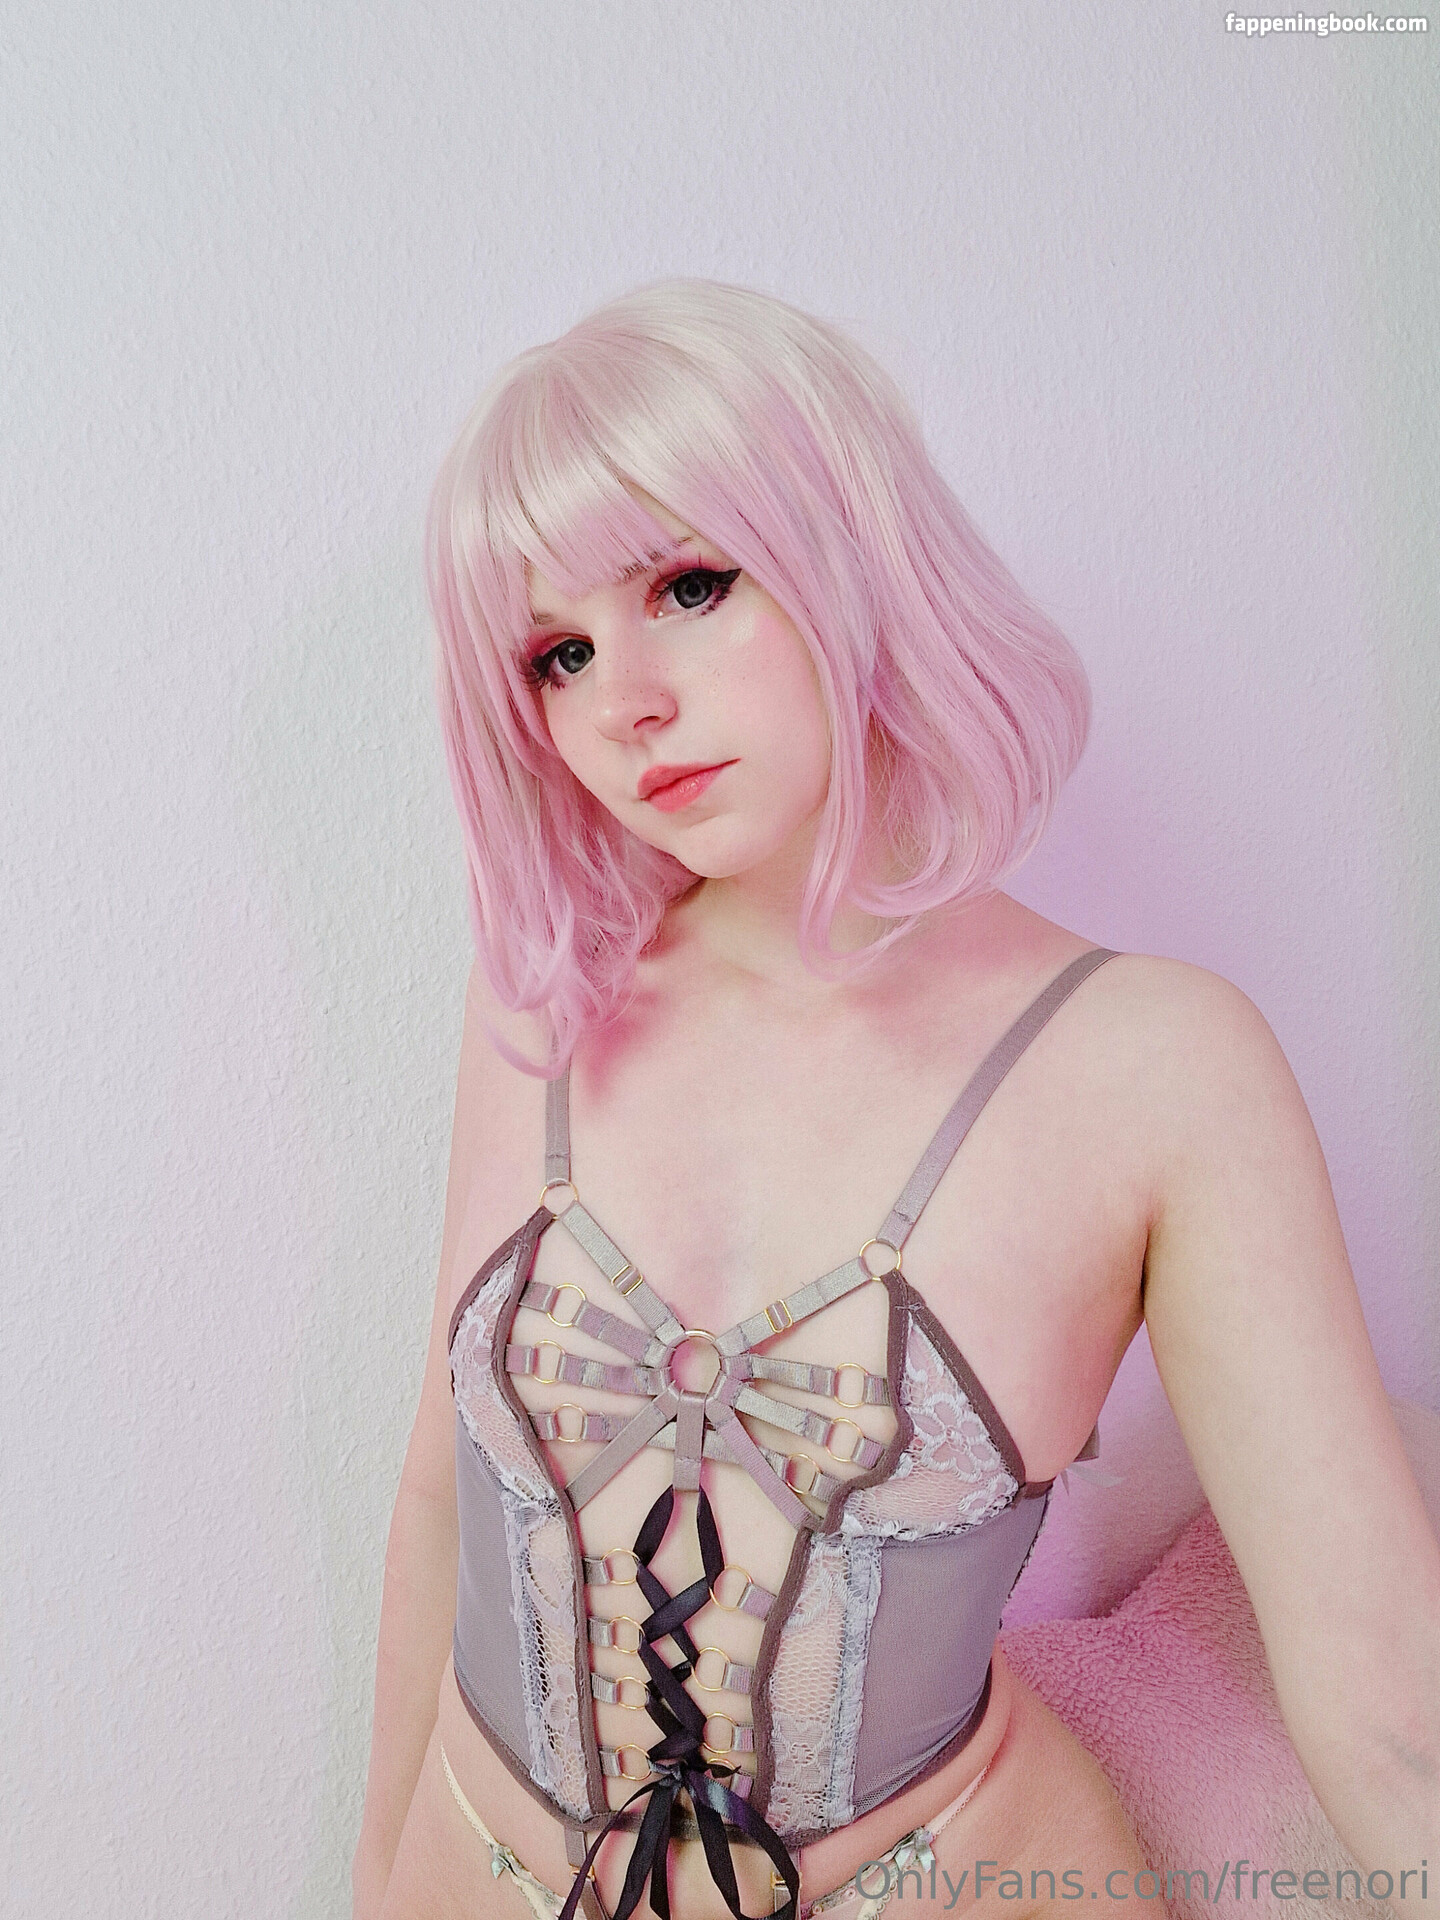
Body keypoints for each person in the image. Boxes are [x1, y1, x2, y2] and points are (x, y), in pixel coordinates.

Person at [353, 281, 1440, 1920]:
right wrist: (369, 1886)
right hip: (475, 1870)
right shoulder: (546, 992)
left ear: (848, 552)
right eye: (558, 652)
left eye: (688, 586)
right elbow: (443, 1498)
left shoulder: (1158, 1066)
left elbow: (1389, 1707)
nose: (624, 701)